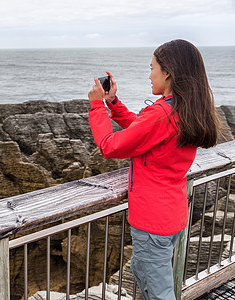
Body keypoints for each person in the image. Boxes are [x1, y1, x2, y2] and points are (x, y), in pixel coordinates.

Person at [87, 39, 221, 299]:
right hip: (172, 215)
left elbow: (110, 146)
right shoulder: (184, 109)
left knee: (159, 293)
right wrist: (113, 104)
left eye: (152, 68)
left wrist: (96, 106)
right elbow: (144, 129)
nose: (150, 75)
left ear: (167, 72)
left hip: (151, 222)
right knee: (143, 270)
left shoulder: (162, 113)